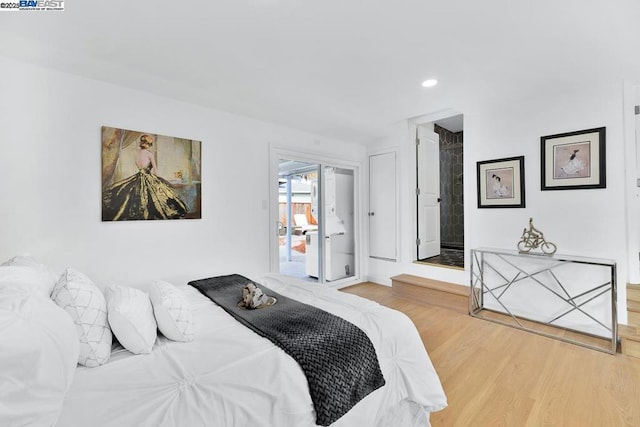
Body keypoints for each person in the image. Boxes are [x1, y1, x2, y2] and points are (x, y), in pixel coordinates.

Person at [102, 134, 188, 221]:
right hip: (148, 177)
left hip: (138, 177)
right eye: (149, 144)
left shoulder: (137, 154)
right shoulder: (149, 154)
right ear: (148, 144)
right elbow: (155, 170)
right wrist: (160, 179)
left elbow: (140, 167)